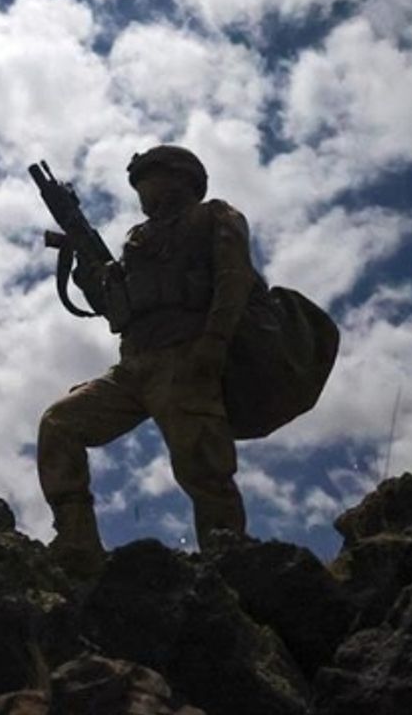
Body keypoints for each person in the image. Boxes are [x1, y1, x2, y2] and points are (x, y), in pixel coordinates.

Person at [37, 145, 256, 577]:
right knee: (59, 423)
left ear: (180, 178)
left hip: (185, 356)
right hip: (134, 366)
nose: (144, 193)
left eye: (148, 180)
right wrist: (84, 264)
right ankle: (77, 544)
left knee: (203, 469)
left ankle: (230, 565)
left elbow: (235, 280)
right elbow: (113, 307)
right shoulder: (137, 242)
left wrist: (213, 343)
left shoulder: (214, 217)